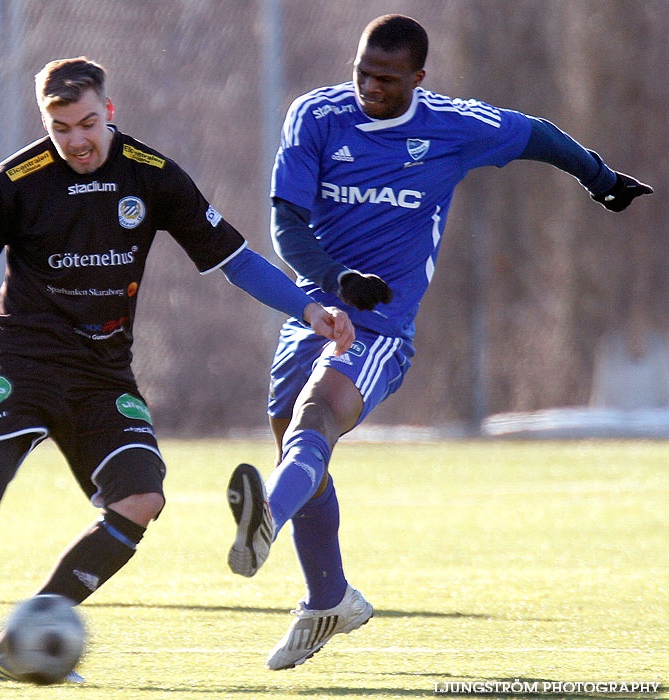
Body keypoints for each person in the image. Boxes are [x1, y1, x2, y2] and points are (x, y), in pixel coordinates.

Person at [0, 56, 353, 680]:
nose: (77, 140)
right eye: (62, 129)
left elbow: (235, 258)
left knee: (141, 499)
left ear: (108, 111)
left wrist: (308, 308)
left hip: (103, 377)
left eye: (88, 123)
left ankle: (21, 643)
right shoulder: (14, 180)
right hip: (22, 362)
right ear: (46, 123)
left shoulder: (153, 175)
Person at [225, 14, 653, 671]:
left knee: (315, 419)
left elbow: (534, 135)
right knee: (297, 448)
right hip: (316, 312)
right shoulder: (316, 116)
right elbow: (285, 222)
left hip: (382, 329)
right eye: (361, 71)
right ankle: (328, 599)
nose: (369, 86)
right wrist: (335, 278)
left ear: (417, 80)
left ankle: (264, 526)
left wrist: (597, 177)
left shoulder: (452, 127)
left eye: (386, 79)